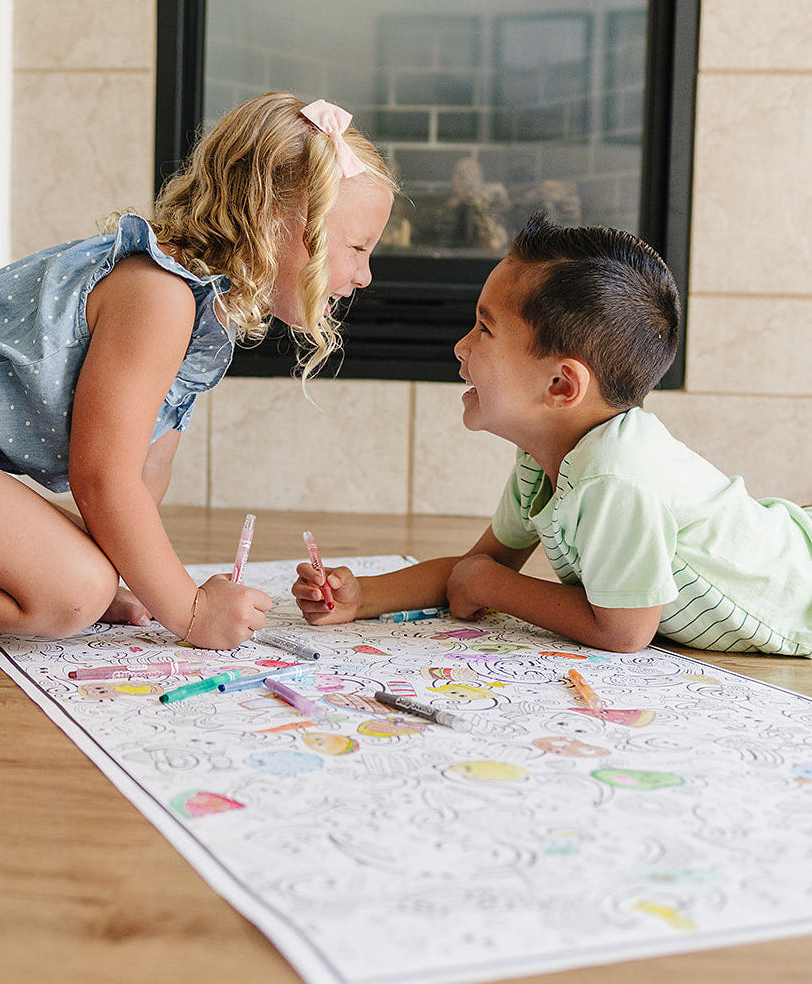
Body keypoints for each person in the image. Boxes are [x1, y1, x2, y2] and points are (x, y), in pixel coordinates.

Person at [0, 92, 396, 664]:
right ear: (284, 227)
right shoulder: (158, 295)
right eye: (358, 248)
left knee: (92, 582)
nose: (363, 275)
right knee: (72, 595)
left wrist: (132, 582)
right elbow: (103, 479)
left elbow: (142, 476)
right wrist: (190, 610)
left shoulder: (201, 316)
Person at [294, 211, 812, 657]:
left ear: (562, 384)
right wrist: (362, 596)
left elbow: (625, 630)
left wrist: (496, 586)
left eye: (484, 329)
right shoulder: (542, 460)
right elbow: (477, 567)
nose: (460, 346)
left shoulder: (616, 478)